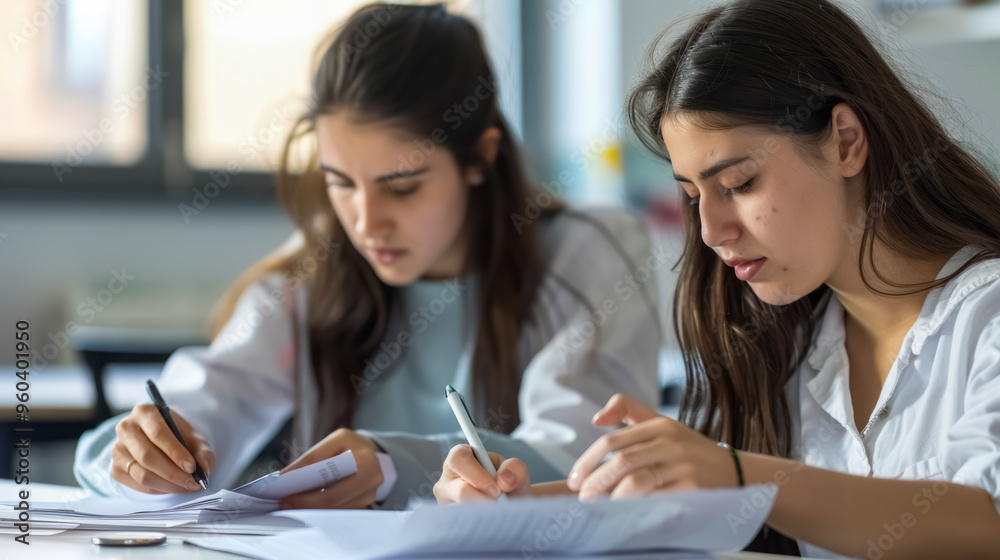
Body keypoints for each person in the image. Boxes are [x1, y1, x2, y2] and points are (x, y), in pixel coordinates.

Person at [433, 0, 1000, 557]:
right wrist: (511, 506)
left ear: (846, 142)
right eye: (692, 196)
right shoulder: (790, 339)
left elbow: (986, 517)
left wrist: (737, 472)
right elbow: (687, 507)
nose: (710, 231)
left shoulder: (987, 313)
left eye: (739, 184)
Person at [73, 3, 661, 512]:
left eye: (402, 187)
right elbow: (210, 396)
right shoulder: (316, 267)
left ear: (479, 157)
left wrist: (392, 462)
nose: (365, 221)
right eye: (340, 183)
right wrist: (144, 455)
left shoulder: (587, 252)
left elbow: (585, 458)